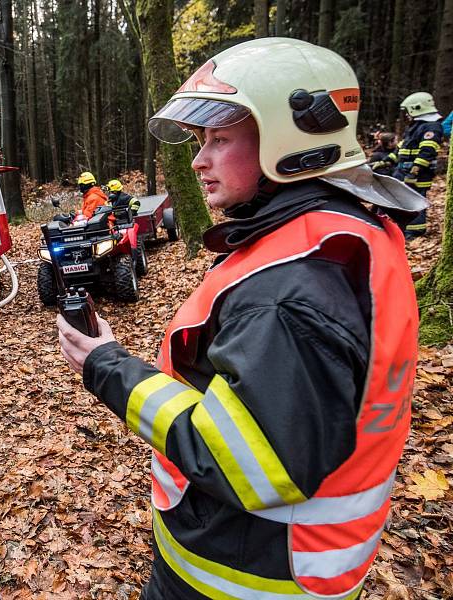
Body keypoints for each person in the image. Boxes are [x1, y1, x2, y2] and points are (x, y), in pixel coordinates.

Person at [58, 38, 424, 599]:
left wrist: (106, 367)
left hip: (244, 575)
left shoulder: (291, 292)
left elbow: (246, 462)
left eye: (220, 140)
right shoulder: (336, 234)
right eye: (200, 141)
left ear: (290, 142)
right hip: (270, 557)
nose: (198, 159)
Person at [391, 91, 444, 238]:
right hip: (405, 172)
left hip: (418, 175)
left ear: (416, 108)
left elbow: (427, 152)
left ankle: (414, 231)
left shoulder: (431, 127)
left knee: (416, 201)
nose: (406, 114)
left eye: (407, 111)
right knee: (405, 201)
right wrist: (387, 160)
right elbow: (402, 148)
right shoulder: (417, 126)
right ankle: (405, 229)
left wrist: (414, 172)